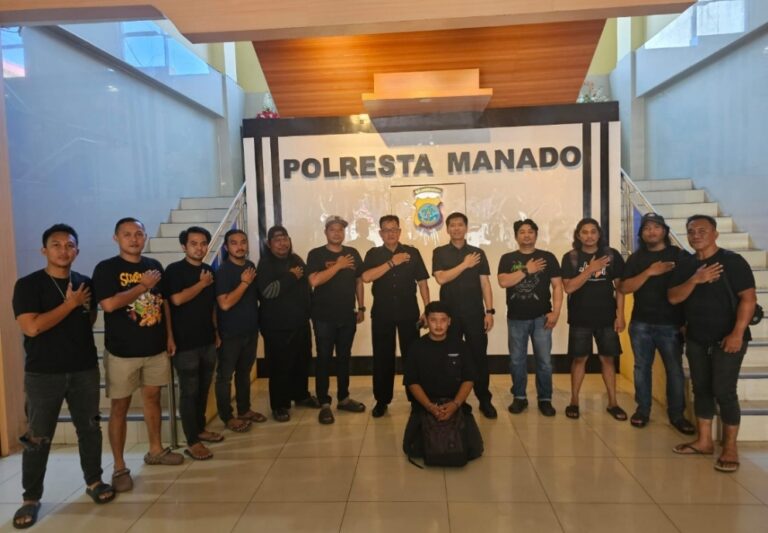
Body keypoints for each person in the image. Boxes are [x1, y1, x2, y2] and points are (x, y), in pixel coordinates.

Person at [12, 224, 115, 528]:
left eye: (69, 245)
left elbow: (90, 318)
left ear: (77, 251)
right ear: (44, 250)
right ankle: (31, 498)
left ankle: (94, 481)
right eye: (56, 245)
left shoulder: (84, 283)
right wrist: (70, 304)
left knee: (90, 429)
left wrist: (76, 306)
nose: (63, 250)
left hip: (84, 369)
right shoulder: (28, 285)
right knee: (37, 437)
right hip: (43, 373)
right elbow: (32, 327)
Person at [93, 217, 183, 494]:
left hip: (155, 348)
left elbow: (163, 303)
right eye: (127, 234)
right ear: (116, 238)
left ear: (145, 236)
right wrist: (142, 286)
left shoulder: (153, 265)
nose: (134, 239)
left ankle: (155, 450)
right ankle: (119, 467)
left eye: (139, 234)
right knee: (119, 407)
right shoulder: (106, 268)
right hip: (122, 352)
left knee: (153, 398)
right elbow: (109, 305)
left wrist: (169, 336)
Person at [669, 214, 757, 473]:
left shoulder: (732, 261)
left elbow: (748, 299)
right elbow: (673, 298)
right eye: (691, 231)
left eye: (702, 230)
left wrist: (737, 333)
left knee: (724, 390)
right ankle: (704, 441)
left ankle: (730, 447)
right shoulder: (686, 265)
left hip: (728, 338)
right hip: (697, 338)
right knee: (701, 389)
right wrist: (695, 279)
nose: (696, 235)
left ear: (715, 234)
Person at [619, 213, 695, 434]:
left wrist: (687, 320)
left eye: (656, 227)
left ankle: (677, 415)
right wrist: (649, 272)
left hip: (671, 324)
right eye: (646, 228)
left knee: (674, 370)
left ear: (664, 231)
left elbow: (690, 287)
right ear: (641, 233)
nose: (651, 231)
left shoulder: (678, 255)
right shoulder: (636, 259)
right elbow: (624, 288)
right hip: (641, 323)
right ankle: (643, 410)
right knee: (642, 368)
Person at [362, 215, 430, 418]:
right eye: (386, 230)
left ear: (400, 232)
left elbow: (423, 282)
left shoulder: (412, 252)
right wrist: (392, 262)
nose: (391, 233)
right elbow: (366, 277)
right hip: (382, 312)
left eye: (394, 229)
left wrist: (427, 309)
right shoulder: (374, 254)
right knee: (382, 357)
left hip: (409, 311)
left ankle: (416, 399)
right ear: (380, 233)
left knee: (412, 356)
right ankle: (382, 400)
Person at [165, 226, 223, 461]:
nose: (199, 248)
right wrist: (201, 284)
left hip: (207, 339)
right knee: (189, 392)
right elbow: (176, 300)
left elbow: (212, 306)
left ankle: (200, 429)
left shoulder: (209, 270)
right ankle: (192, 441)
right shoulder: (174, 270)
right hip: (185, 343)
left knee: (203, 388)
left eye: (203, 243)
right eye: (194, 243)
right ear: (184, 246)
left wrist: (216, 331)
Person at [560, 217, 627, 421]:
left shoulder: (612, 255)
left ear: (599, 234)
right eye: (584, 232)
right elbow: (569, 287)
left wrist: (620, 315)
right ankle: (574, 401)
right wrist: (590, 269)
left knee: (608, 359)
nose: (589, 236)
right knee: (579, 359)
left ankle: (613, 402)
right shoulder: (571, 257)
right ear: (578, 235)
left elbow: (620, 288)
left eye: (593, 232)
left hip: (607, 317)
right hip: (580, 317)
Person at [432, 212, 497, 418]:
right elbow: (441, 279)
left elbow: (485, 284)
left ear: (466, 228)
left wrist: (489, 311)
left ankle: (484, 399)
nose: (456, 228)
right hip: (448, 317)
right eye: (452, 225)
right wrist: (464, 265)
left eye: (460, 225)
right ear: (447, 229)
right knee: (451, 357)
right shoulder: (440, 252)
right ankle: (455, 401)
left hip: (475, 314)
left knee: (479, 357)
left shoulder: (478, 253)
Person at [402, 301, 483, 461]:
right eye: (433, 320)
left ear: (449, 321)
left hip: (455, 404)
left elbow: (469, 379)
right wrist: (429, 406)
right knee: (412, 448)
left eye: (443, 320)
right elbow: (412, 382)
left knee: (474, 450)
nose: (438, 325)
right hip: (425, 406)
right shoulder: (416, 347)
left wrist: (455, 404)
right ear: (426, 320)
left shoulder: (460, 346)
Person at [497, 218, 563, 416]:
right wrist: (527, 270)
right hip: (516, 318)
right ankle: (519, 397)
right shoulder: (507, 258)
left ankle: (545, 399)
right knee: (517, 361)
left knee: (544, 361)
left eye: (530, 231)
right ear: (516, 236)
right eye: (522, 232)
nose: (526, 235)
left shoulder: (548, 257)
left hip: (542, 317)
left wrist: (556, 312)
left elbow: (557, 286)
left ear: (536, 234)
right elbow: (503, 282)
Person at [306, 215, 367, 424]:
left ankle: (344, 398)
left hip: (347, 315)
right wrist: (338, 265)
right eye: (332, 229)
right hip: (323, 317)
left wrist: (361, 307)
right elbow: (314, 280)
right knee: (323, 359)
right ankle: (324, 403)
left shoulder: (353, 253)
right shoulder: (316, 254)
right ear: (326, 232)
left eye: (340, 229)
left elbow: (359, 281)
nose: (337, 233)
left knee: (344, 358)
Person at [256, 225, 320, 422]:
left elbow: (308, 286)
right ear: (269, 244)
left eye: (285, 239)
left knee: (302, 362)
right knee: (279, 367)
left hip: (300, 323)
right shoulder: (266, 264)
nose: (282, 243)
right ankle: (279, 405)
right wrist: (291, 276)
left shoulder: (296, 259)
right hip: (277, 327)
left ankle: (301, 396)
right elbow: (268, 292)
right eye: (277, 240)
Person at [215, 229, 266, 432]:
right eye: (234, 243)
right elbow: (225, 303)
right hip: (230, 333)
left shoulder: (250, 266)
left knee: (244, 373)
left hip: (250, 330)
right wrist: (244, 283)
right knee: (225, 377)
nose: (240, 246)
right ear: (226, 247)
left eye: (243, 242)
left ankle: (244, 410)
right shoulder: (223, 271)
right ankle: (227, 417)